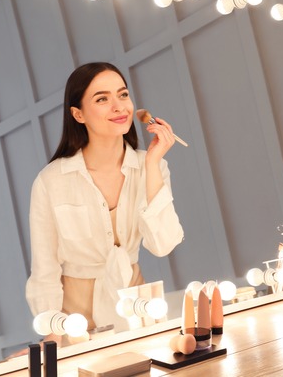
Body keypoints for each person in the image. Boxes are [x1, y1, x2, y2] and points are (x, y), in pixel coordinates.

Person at [25, 62, 184, 346]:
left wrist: (152, 163)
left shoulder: (152, 166)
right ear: (78, 114)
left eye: (123, 95)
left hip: (137, 307)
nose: (119, 106)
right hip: (74, 320)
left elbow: (163, 244)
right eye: (102, 99)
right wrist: (52, 338)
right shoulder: (51, 181)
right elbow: (45, 269)